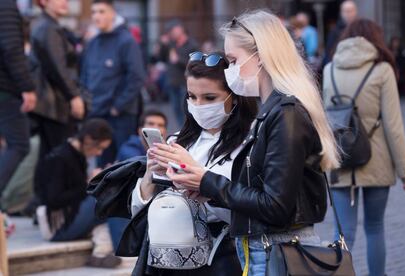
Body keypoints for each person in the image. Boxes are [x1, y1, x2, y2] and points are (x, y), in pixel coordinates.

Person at [154, 10, 340, 276]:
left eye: (233, 60)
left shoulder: (285, 113)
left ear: (261, 56)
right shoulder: (274, 111)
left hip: (278, 251)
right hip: (266, 249)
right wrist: (208, 189)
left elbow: (275, 205)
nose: (229, 70)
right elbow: (262, 193)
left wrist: (208, 181)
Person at [133, 51, 257, 275]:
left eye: (210, 98)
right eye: (191, 96)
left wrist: (199, 177)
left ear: (235, 97)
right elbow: (140, 211)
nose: (198, 105)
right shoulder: (177, 140)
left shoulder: (250, 144)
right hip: (168, 258)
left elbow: (255, 208)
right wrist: (151, 175)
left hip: (221, 256)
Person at [323, 19, 405, 276]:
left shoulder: (330, 69)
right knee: (375, 227)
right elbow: (394, 126)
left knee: (342, 234)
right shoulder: (382, 70)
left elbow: (324, 120)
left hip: (340, 161)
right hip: (376, 159)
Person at [35, 119, 123, 268]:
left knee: (109, 204)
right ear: (88, 139)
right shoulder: (59, 157)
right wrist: (89, 184)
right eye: (99, 148)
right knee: (109, 194)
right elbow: (53, 199)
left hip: (71, 216)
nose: (99, 153)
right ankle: (122, 252)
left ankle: (100, 254)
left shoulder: (77, 154)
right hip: (58, 225)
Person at [80, 0, 146, 167]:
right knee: (102, 165)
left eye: (101, 11)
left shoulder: (126, 41)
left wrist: (118, 107)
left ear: (112, 14)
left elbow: (136, 77)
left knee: (124, 164)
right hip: (97, 114)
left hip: (121, 115)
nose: (96, 16)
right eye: (94, 12)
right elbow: (85, 77)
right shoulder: (93, 43)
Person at [31, 0, 85, 159]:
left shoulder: (47, 25)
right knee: (59, 156)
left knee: (50, 156)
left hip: (51, 102)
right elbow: (57, 67)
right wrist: (73, 96)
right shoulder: (48, 28)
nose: (64, 2)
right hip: (53, 104)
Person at [0, 0, 37, 205]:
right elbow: (12, 48)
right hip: (5, 87)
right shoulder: (5, 5)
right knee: (19, 143)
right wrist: (27, 87)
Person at [164, 19, 198, 126]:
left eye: (172, 30)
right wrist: (162, 45)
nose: (171, 33)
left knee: (185, 110)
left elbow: (195, 63)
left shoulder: (192, 44)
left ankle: (187, 130)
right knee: (176, 109)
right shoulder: (171, 44)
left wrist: (178, 60)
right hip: (173, 82)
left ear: (180, 29)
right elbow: (160, 58)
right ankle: (182, 130)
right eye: (169, 31)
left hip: (185, 83)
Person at [322, 0, 358, 67]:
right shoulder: (334, 31)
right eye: (346, 11)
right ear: (341, 13)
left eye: (351, 11)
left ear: (356, 11)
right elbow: (329, 53)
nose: (349, 14)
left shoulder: (361, 29)